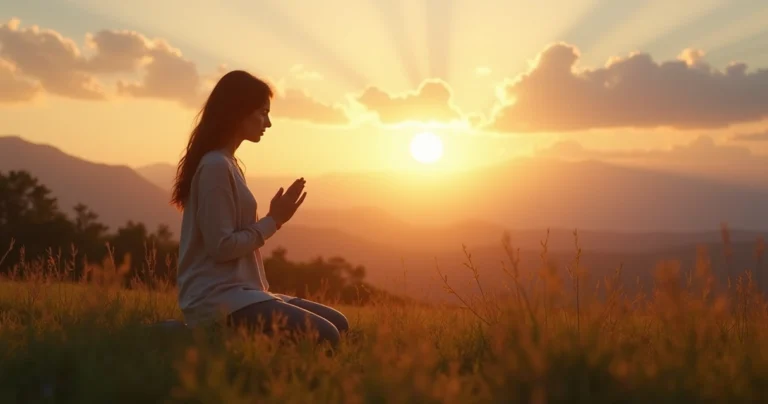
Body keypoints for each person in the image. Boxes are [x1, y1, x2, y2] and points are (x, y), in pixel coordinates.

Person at [170, 70, 348, 346]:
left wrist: (276, 219)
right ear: (239, 113)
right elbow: (221, 247)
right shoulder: (216, 167)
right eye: (263, 113)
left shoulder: (229, 164)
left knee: (339, 323)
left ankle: (224, 336)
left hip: (245, 292)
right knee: (326, 336)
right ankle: (188, 334)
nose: (269, 123)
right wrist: (273, 221)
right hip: (217, 298)